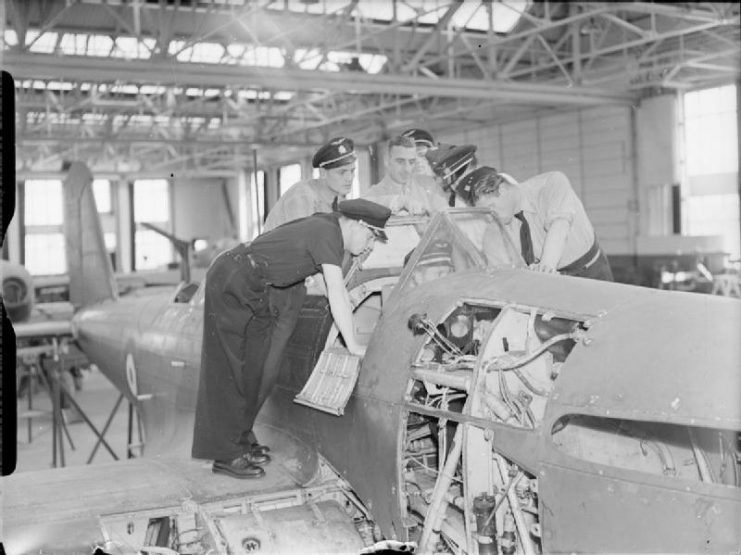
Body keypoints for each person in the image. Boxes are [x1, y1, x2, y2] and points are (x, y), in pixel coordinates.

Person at [192, 199, 391, 479]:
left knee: (255, 367)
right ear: (357, 225)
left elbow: (323, 280)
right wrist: (353, 344)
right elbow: (335, 290)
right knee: (229, 367)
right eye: (370, 235)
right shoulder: (328, 233)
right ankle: (225, 456)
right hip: (232, 278)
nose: (370, 244)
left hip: (256, 286)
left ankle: (240, 441)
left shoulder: (329, 228)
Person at [456, 166, 614, 281]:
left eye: (491, 208)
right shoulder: (494, 229)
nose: (490, 218)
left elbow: (559, 226)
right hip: (553, 282)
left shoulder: (551, 184)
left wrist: (545, 267)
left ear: (502, 190)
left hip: (592, 273)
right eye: (485, 214)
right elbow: (502, 276)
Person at [263, 137, 357, 232]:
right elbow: (301, 242)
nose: (350, 178)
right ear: (323, 172)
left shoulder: (337, 202)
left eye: (352, 171)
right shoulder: (302, 197)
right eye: (341, 172)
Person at [363, 135, 448, 215]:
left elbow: (446, 217)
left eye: (411, 162)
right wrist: (398, 201)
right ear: (387, 160)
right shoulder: (375, 193)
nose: (407, 169)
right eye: (400, 161)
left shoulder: (429, 185)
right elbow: (363, 205)